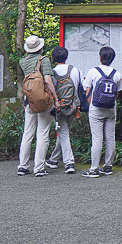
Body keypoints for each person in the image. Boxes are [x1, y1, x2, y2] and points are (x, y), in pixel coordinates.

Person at [17, 35, 58, 177]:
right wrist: (56, 99)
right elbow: (47, 80)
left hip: (29, 100)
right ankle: (39, 167)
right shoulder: (44, 60)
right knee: (42, 133)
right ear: (40, 47)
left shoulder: (23, 61)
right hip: (44, 101)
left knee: (27, 132)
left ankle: (22, 166)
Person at [81, 46, 122, 177]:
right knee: (110, 138)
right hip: (111, 109)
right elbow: (116, 94)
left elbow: (88, 92)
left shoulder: (93, 72)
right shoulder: (117, 73)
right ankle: (108, 167)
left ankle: (94, 169)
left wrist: (92, 104)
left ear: (100, 57)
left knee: (97, 139)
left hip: (96, 109)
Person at [44, 46, 82, 174]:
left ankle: (69, 163)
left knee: (63, 133)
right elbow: (78, 88)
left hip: (59, 107)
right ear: (66, 57)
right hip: (73, 106)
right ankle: (54, 160)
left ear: (54, 59)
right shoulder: (75, 70)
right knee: (64, 132)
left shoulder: (52, 72)